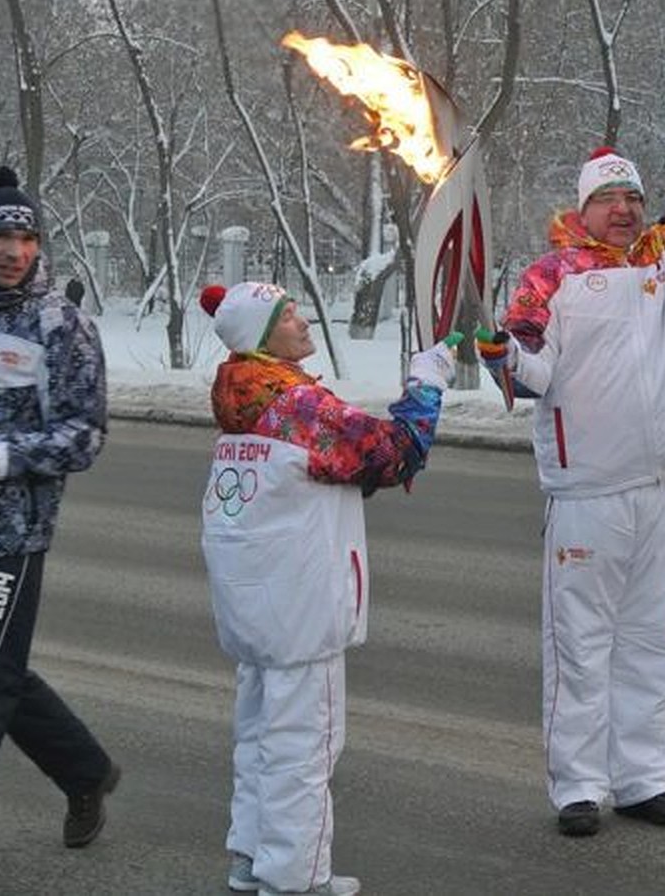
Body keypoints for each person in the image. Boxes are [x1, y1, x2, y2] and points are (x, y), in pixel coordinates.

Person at [477, 31, 665, 837]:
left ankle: (643, 777)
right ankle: (578, 786)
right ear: (584, 205)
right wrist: (503, 357)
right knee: (580, 644)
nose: (626, 209)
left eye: (633, 197)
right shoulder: (550, 276)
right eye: (611, 198)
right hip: (589, 493)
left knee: (655, 640)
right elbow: (529, 373)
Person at [198, 281, 457, 896]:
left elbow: (320, 470)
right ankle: (295, 878)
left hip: (258, 594)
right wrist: (428, 381)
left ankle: (254, 859)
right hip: (299, 598)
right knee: (305, 743)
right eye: (288, 314)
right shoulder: (293, 404)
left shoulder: (239, 388)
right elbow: (393, 453)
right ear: (263, 337)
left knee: (261, 731)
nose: (303, 319)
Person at [0, 167, 118, 890]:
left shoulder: (58, 327)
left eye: (28, 236)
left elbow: (83, 438)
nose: (15, 249)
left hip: (8, 538)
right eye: (2, 234)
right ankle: (86, 769)